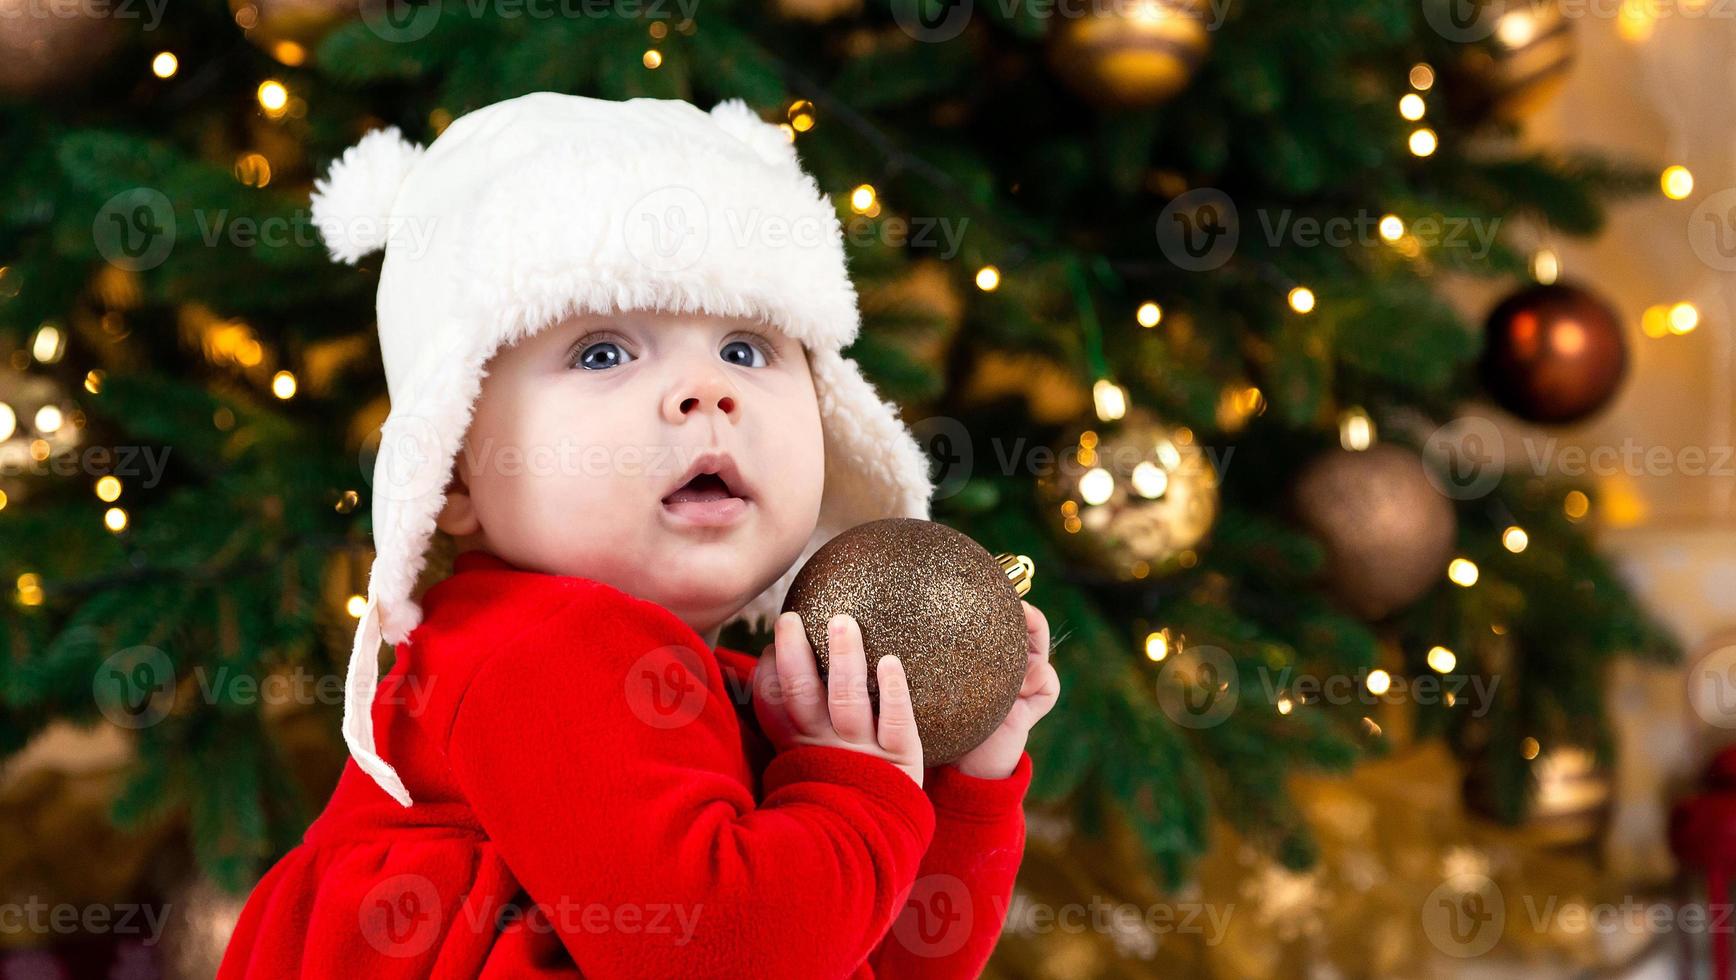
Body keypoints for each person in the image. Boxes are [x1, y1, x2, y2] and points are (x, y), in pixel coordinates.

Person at [218, 92, 1060, 979]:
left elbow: (879, 958)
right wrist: (849, 788)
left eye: (745, 347)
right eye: (602, 353)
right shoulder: (540, 656)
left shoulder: (724, 690)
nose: (706, 391)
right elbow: (726, 957)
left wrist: (959, 786)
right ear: (456, 466)